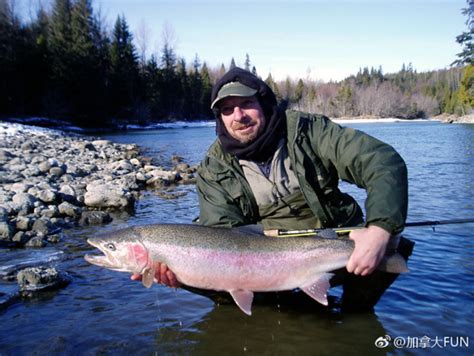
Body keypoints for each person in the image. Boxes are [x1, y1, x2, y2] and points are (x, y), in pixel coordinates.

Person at [133, 67, 413, 310]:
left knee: (385, 249)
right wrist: (182, 272)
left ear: (264, 103)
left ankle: (356, 315)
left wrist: (379, 230)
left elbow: (382, 163)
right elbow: (220, 235)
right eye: (227, 110)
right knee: (205, 275)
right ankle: (273, 312)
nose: (238, 116)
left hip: (337, 243)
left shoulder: (308, 132)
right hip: (263, 262)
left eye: (246, 104)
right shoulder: (214, 168)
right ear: (220, 117)